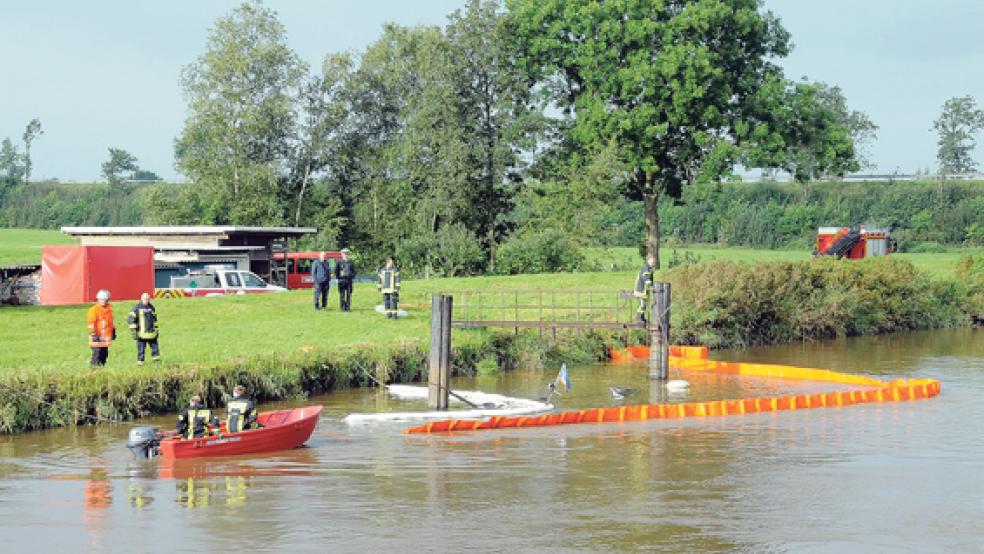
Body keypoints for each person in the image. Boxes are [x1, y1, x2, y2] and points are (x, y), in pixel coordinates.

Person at [127, 292, 160, 365]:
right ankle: (140, 365)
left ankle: (157, 363)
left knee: (155, 350)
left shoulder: (151, 307)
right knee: (141, 351)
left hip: (152, 334)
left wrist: (157, 331)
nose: (146, 300)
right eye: (145, 299)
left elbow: (155, 320)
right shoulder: (136, 308)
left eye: (148, 299)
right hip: (141, 335)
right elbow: (131, 320)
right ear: (141, 299)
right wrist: (134, 332)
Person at [87, 289, 116, 366]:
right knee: (97, 354)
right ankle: (93, 370)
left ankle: (101, 370)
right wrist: (93, 333)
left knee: (104, 355)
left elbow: (110, 322)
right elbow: (91, 322)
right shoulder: (94, 310)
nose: (104, 301)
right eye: (102, 299)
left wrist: (113, 331)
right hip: (96, 337)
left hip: (105, 338)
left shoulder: (109, 310)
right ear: (98, 299)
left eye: (105, 299)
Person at [634, 255, 656, 324]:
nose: (653, 263)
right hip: (640, 290)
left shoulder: (649, 268)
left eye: (654, 262)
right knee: (642, 304)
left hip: (644, 290)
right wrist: (650, 286)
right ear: (648, 260)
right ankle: (638, 318)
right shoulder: (645, 268)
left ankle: (642, 318)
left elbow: (650, 279)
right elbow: (646, 278)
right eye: (652, 262)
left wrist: (652, 286)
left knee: (644, 305)